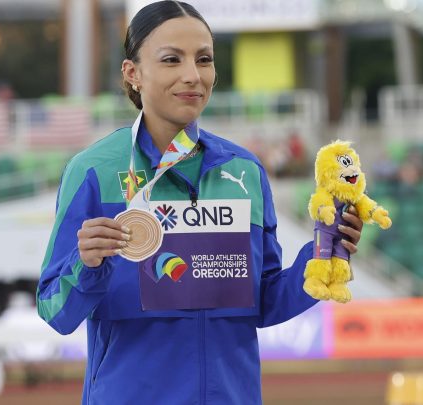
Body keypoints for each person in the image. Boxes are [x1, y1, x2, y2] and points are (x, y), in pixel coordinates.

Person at [36, 2, 364, 404]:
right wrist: (86, 266)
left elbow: (262, 303)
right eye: (171, 59)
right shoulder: (92, 171)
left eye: (204, 59)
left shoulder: (245, 171)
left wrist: (324, 255)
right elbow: (54, 311)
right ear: (132, 73)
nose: (192, 75)